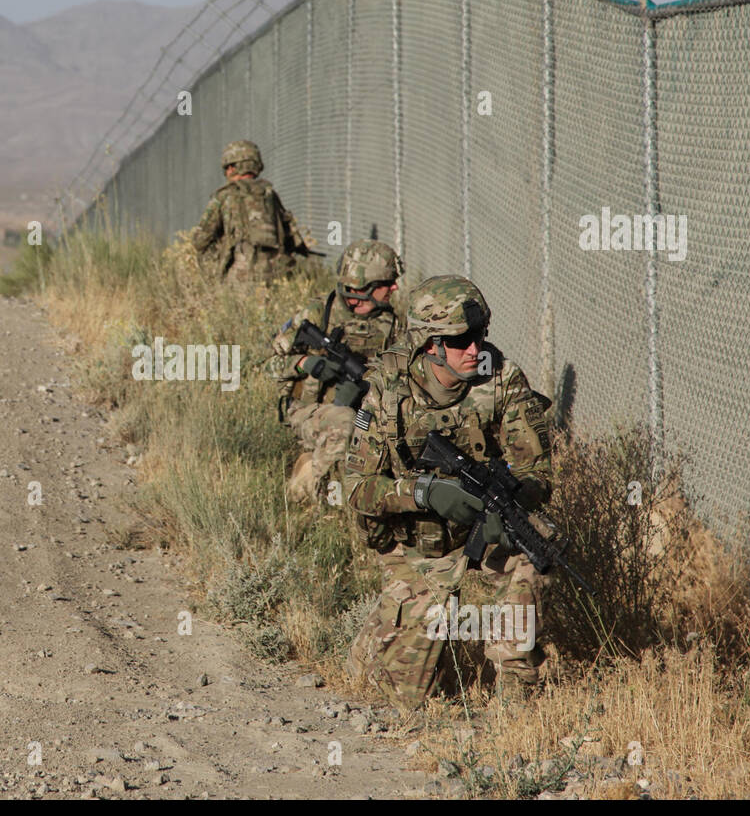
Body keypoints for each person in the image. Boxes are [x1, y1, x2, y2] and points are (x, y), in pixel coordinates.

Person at [342, 275, 555, 708]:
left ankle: (517, 690)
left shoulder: (501, 379)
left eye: (479, 336)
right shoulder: (389, 390)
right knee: (402, 698)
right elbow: (356, 489)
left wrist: (513, 502)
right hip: (415, 544)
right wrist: (422, 493)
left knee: (533, 545)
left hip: (479, 525)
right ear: (429, 344)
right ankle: (377, 640)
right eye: (460, 340)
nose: (474, 349)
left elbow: (538, 472)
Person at [267, 239, 402, 503]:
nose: (395, 287)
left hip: (366, 408)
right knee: (344, 421)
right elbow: (266, 366)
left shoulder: (391, 322)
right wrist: (305, 363)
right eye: (388, 283)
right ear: (365, 287)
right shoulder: (320, 313)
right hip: (307, 412)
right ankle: (310, 497)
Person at [189, 140, 311, 282]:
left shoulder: (224, 196)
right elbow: (291, 236)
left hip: (238, 277)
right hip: (276, 274)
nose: (227, 171)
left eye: (229, 166)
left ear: (234, 167)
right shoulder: (270, 194)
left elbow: (200, 240)